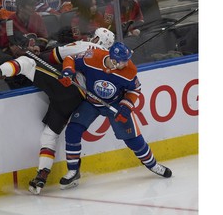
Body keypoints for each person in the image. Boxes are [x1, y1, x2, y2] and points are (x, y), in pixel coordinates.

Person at [0, 28, 115, 194]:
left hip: (66, 87)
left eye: (94, 36)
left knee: (27, 63)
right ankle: (41, 177)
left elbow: (54, 56)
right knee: (49, 135)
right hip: (77, 99)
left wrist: (34, 55)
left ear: (98, 39)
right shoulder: (109, 61)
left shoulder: (86, 46)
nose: (91, 37)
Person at [58, 42, 172, 190]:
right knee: (73, 130)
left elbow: (135, 89)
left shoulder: (130, 70)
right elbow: (71, 58)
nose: (126, 63)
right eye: (123, 60)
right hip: (92, 103)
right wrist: (68, 70)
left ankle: (153, 165)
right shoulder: (93, 56)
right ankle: (73, 170)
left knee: (133, 140)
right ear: (113, 59)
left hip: (115, 105)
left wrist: (126, 106)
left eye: (127, 60)